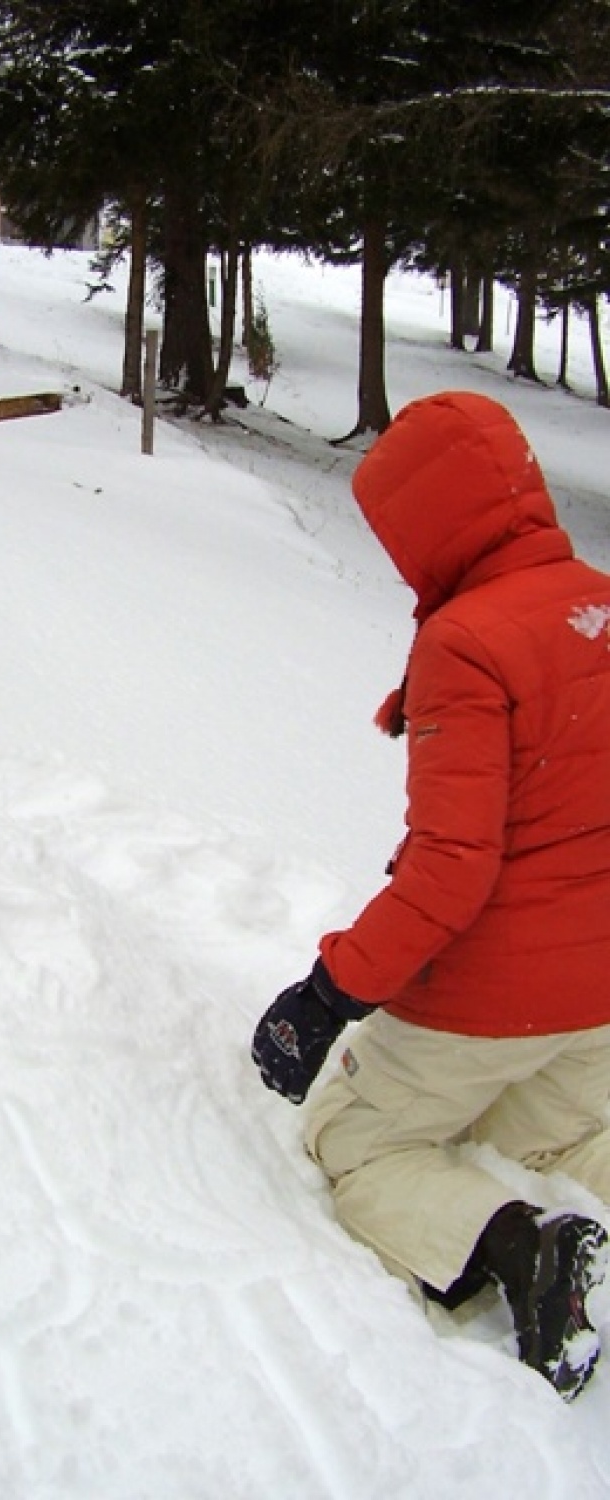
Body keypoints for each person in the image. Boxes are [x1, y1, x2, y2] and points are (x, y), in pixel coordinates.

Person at [251, 390, 610, 1402]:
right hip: (598, 1001)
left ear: (425, 525)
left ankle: (522, 1253)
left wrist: (327, 993)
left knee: (358, 1139)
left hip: (486, 1002)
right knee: (546, 1132)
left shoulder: (465, 642)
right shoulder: (601, 597)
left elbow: (452, 867)